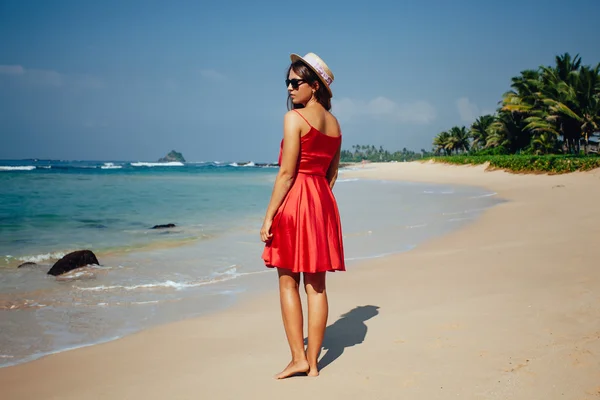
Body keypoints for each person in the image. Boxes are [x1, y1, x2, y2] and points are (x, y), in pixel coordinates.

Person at [260, 52, 345, 379]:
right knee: (317, 287)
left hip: (296, 202)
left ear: (314, 86)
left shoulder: (294, 119)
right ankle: (313, 365)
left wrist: (269, 217)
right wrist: (318, 203)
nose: (290, 89)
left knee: (287, 282)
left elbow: (286, 174)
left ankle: (299, 358)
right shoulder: (335, 125)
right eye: (287, 83)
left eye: (295, 83)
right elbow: (332, 175)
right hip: (322, 202)